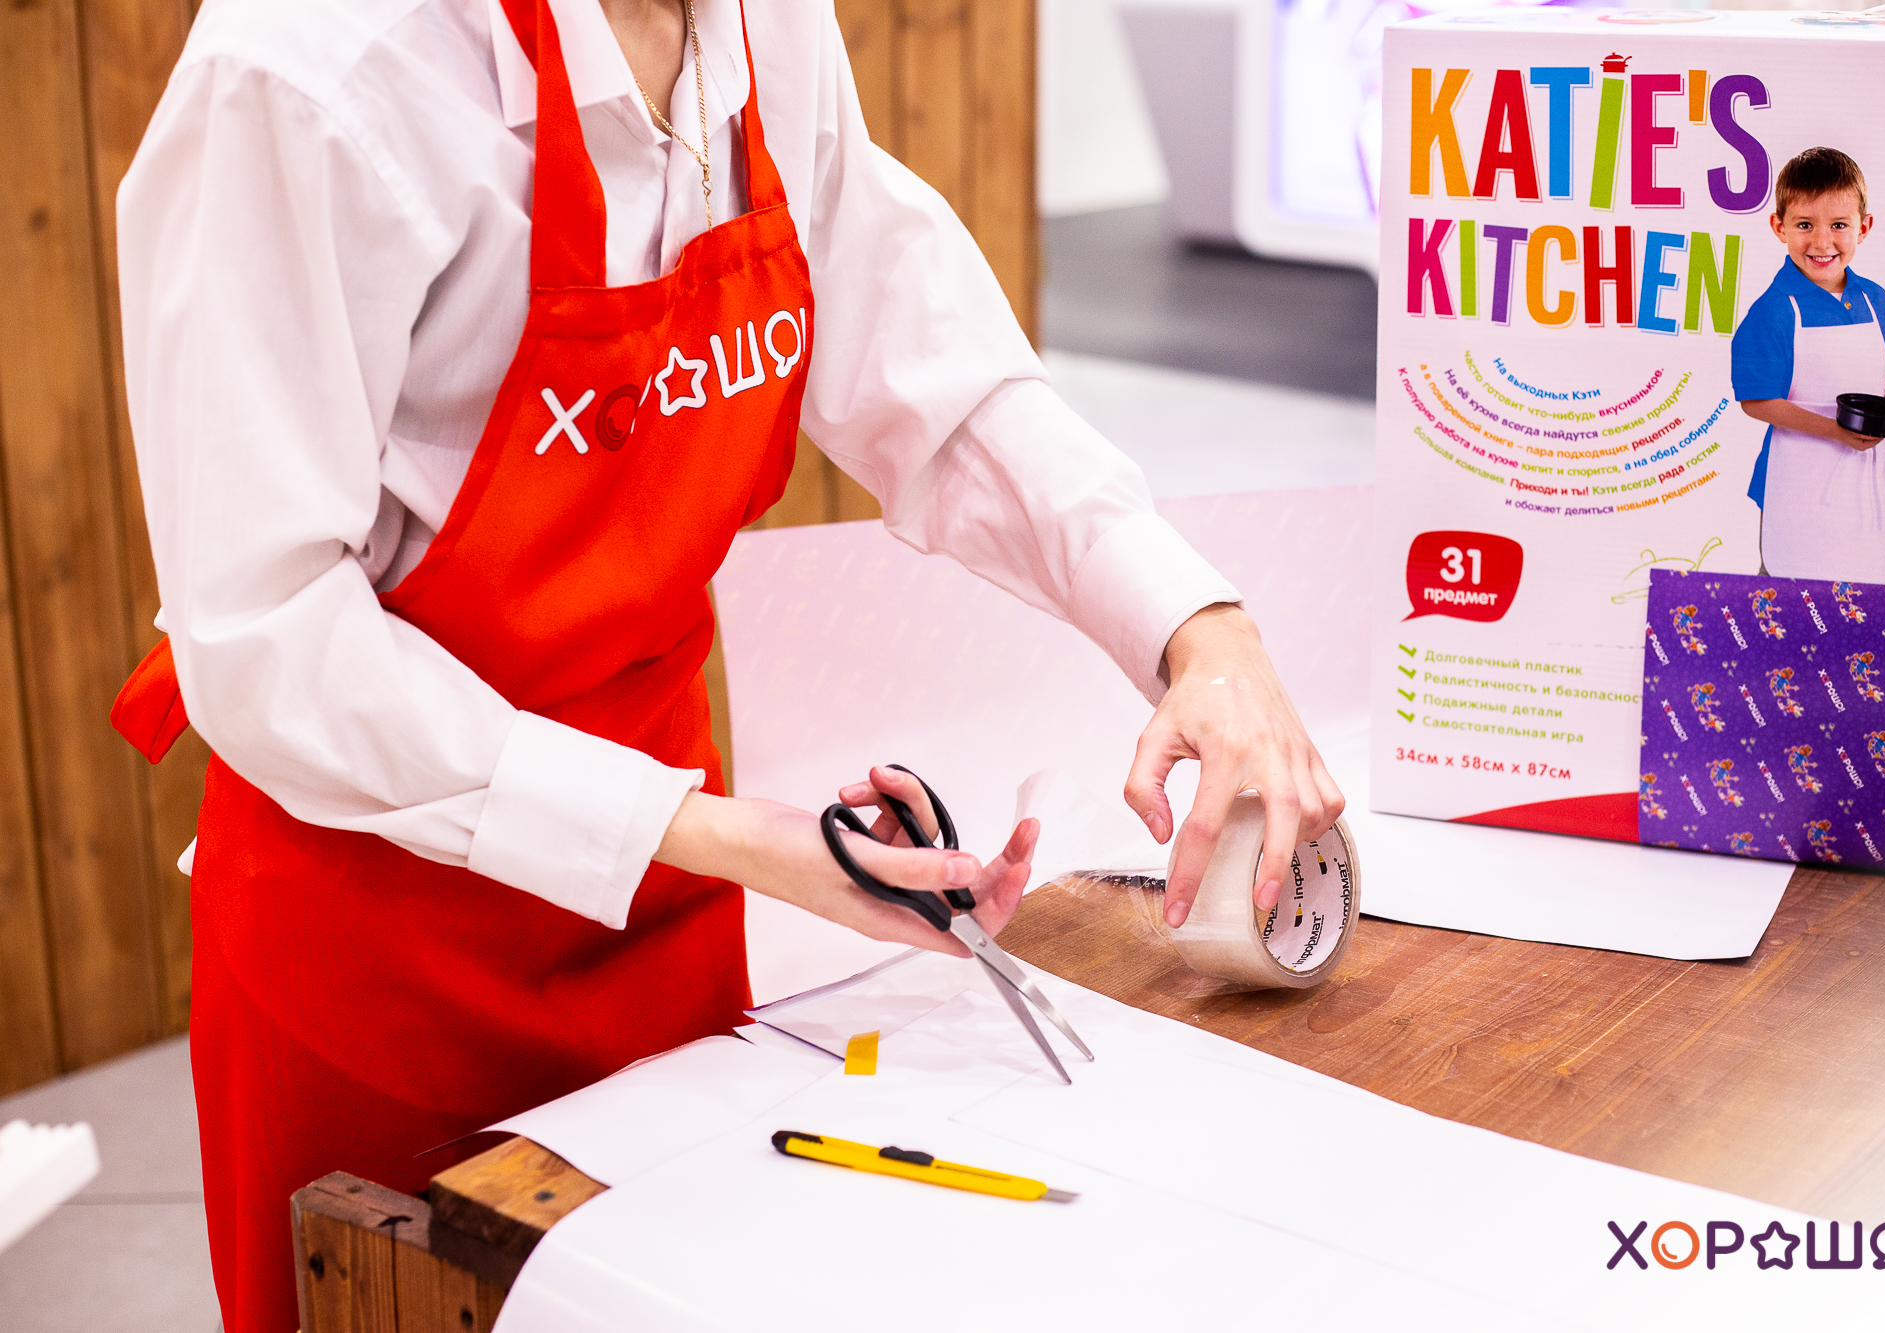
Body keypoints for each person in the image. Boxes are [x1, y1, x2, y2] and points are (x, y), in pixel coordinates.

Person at [110, 0, 1342, 1327]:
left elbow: (936, 380)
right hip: (379, 953)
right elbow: (267, 637)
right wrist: (723, 837)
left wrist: (1197, 630)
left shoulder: (762, 25)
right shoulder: (309, 73)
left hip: (665, 910)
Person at [1735, 146, 1885, 583]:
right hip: (1795, 486)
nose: (1821, 242)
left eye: (1838, 225)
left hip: (1866, 485)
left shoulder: (1877, 302)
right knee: (1789, 597)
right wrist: (1836, 431)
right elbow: (1756, 401)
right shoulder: (1773, 311)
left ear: (1863, 227)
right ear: (1779, 226)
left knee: (1866, 595)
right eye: (1804, 225)